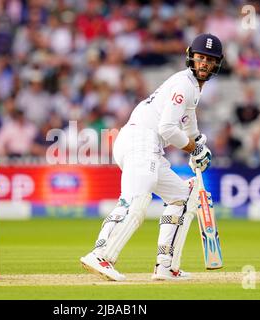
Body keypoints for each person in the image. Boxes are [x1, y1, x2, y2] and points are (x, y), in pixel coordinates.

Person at [80, 33, 223, 281]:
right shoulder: (184, 85)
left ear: (217, 64)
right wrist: (192, 148)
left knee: (183, 197)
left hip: (148, 147)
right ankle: (100, 254)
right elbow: (167, 128)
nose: (204, 63)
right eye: (200, 57)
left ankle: (166, 266)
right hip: (140, 140)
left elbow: (189, 126)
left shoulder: (193, 90)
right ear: (191, 57)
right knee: (138, 199)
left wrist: (199, 145)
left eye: (209, 60)